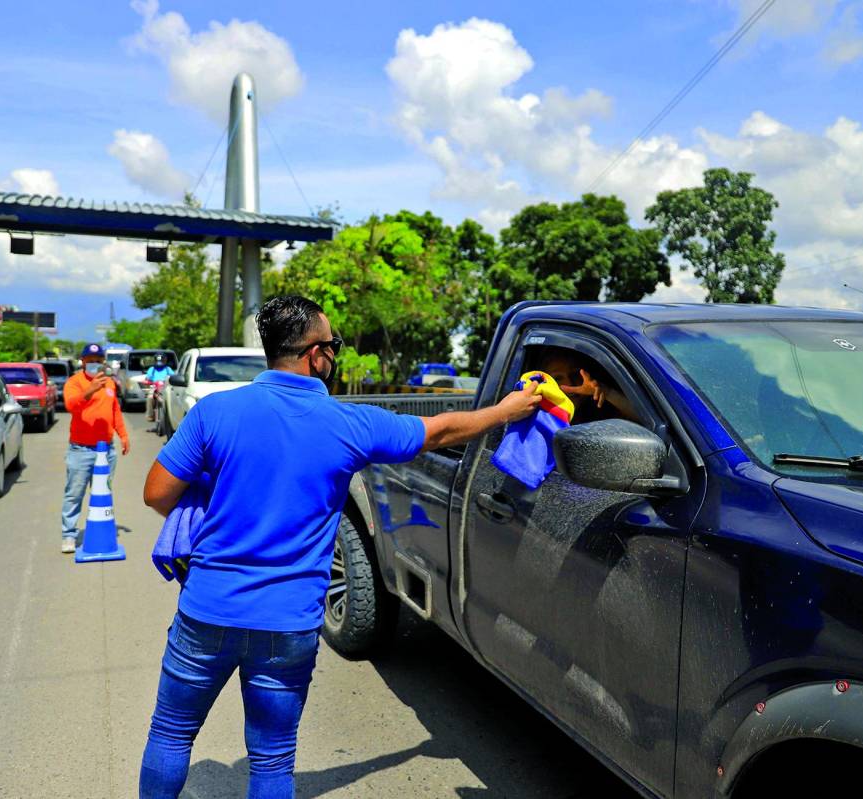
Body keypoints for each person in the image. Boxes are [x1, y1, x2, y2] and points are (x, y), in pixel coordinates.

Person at [138, 295, 542, 798]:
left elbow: (157, 494)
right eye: (333, 345)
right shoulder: (349, 425)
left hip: (207, 609)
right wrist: (506, 411)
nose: (335, 354)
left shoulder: (215, 413)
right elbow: (439, 433)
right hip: (287, 623)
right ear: (314, 355)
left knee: (171, 733)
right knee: (271, 762)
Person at [60, 343, 130, 554]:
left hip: (106, 450)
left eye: (98, 360)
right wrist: (89, 391)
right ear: (82, 361)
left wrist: (123, 435)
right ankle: (69, 535)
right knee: (74, 493)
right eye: (90, 360)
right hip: (81, 450)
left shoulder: (109, 383)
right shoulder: (74, 382)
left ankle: (100, 529)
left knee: (102, 492)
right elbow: (70, 405)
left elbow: (115, 409)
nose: (94, 364)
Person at [539, 348, 641, 424]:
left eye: (575, 374)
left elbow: (645, 418)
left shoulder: (598, 409)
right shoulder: (540, 417)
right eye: (558, 378)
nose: (570, 383)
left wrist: (608, 393)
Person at [145, 355, 174, 423]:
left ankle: (170, 415)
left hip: (165, 386)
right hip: (154, 386)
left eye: (161, 361)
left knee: (172, 398)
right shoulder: (152, 369)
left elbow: (173, 375)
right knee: (150, 397)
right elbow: (148, 377)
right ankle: (150, 415)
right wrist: (148, 380)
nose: (159, 363)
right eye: (158, 361)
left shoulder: (167, 369)